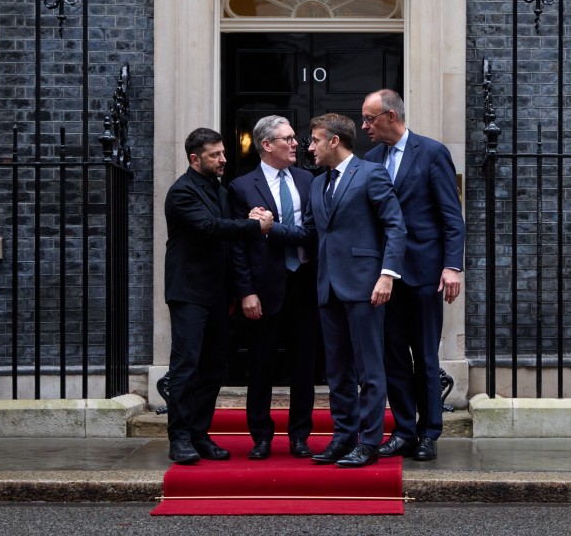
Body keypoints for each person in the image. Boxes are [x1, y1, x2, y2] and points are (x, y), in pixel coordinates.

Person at [270, 113, 406, 468]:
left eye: (314, 140)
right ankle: (344, 437)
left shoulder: (371, 173)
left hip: (366, 286)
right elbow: (311, 233)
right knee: (338, 372)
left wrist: (387, 274)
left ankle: (370, 442)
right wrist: (272, 229)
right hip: (327, 286)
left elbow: (395, 226)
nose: (308, 147)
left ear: (334, 141)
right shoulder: (317, 184)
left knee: (369, 371)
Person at [361, 89, 465, 462]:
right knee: (392, 357)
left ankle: (429, 433)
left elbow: (451, 215)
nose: (365, 125)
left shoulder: (432, 152)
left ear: (391, 116)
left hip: (423, 272)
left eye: (370, 118)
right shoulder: (370, 160)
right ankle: (404, 430)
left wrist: (452, 266)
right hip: (384, 276)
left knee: (425, 355)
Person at [164, 127, 274, 465]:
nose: (224, 159)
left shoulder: (221, 191)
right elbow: (211, 228)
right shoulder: (182, 192)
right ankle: (180, 438)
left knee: (213, 368)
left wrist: (251, 218)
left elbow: (230, 228)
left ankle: (199, 434)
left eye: (223, 153)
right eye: (216, 155)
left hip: (217, 294)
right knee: (186, 367)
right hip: (189, 293)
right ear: (195, 158)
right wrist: (256, 225)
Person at [228, 116, 319, 460]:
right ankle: (261, 436)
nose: (296, 144)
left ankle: (299, 436)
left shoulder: (308, 180)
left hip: (305, 284)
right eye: (288, 139)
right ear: (266, 145)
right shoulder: (241, 187)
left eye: (295, 138)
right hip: (264, 289)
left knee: (304, 366)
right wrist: (245, 291)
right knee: (261, 364)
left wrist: (271, 228)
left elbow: (312, 232)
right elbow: (237, 247)